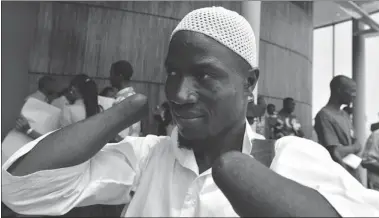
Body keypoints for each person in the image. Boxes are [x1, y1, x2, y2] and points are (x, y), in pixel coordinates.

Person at [3, 7, 379, 217]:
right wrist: (126, 110)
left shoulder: (293, 159)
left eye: (204, 74)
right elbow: (21, 188)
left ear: (249, 83)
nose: (179, 94)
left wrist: (236, 170)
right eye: (171, 73)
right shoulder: (147, 158)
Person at [15, 74, 102, 139]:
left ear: (73, 89)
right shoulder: (100, 110)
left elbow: (58, 142)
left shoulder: (69, 110)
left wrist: (29, 130)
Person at [314, 75, 361, 180]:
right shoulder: (324, 115)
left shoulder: (345, 115)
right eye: (352, 91)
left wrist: (348, 148)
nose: (355, 95)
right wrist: (354, 148)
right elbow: (334, 152)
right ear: (339, 90)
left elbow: (356, 142)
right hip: (339, 176)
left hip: (352, 172)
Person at [110, 60, 141, 137]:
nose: (110, 78)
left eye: (112, 74)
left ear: (120, 77)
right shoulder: (135, 96)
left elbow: (118, 135)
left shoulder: (120, 101)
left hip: (122, 146)